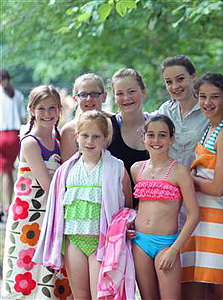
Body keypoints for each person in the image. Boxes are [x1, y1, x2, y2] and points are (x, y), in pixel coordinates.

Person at [33, 110, 132, 299]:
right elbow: (57, 208)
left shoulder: (116, 167)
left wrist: (125, 227)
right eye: (85, 135)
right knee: (80, 294)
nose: (90, 141)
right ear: (77, 136)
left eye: (96, 136)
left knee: (100, 295)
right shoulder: (67, 170)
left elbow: (126, 205)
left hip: (101, 242)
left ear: (106, 138)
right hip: (74, 241)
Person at [1, 85, 71, 299]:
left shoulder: (58, 141)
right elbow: (47, 184)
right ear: (31, 110)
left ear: (59, 110)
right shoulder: (30, 142)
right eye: (41, 108)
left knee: (49, 265)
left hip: (49, 210)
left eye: (52, 108)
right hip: (30, 213)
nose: (48, 114)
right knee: (28, 263)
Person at [181, 73, 223, 300]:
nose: (207, 103)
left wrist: (188, 180)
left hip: (218, 215)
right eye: (203, 96)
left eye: (214, 97)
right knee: (200, 282)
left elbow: (218, 186)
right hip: (202, 215)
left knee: (219, 283)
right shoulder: (210, 127)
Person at [127, 115, 199, 300]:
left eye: (162, 135)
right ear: (143, 138)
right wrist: (126, 228)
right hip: (140, 242)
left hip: (167, 244)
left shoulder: (180, 172)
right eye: (150, 134)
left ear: (171, 139)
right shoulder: (137, 169)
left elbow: (194, 215)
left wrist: (174, 249)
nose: (156, 140)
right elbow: (133, 207)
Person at [157, 55, 208, 230]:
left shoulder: (208, 111)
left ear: (193, 77)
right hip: (169, 197)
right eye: (169, 82)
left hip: (200, 193)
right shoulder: (164, 111)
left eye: (180, 79)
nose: (175, 86)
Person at [108, 68, 150, 208]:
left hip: (151, 214)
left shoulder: (157, 128)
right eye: (120, 93)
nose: (126, 98)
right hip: (116, 213)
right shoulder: (108, 129)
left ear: (143, 92)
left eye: (131, 91)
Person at [60, 73, 110, 162]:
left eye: (94, 94)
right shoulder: (69, 130)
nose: (89, 99)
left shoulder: (114, 121)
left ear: (104, 96)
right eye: (83, 95)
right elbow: (68, 167)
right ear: (75, 98)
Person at [0, 69, 27, 214]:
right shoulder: (17, 95)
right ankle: (10, 204)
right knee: (13, 171)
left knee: (5, 172)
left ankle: (4, 204)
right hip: (15, 135)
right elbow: (24, 118)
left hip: (1, 134)